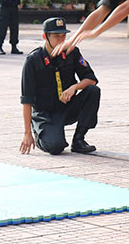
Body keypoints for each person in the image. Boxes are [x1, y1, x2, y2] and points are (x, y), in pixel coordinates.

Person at [19, 17, 100, 156]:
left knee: (93, 91)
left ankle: (79, 139)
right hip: (46, 114)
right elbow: (27, 100)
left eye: (64, 36)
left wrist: (74, 87)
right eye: (56, 36)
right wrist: (27, 133)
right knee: (55, 147)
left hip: (67, 107)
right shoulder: (33, 60)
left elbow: (91, 80)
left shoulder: (72, 52)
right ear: (45, 37)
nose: (61, 40)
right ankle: (40, 133)